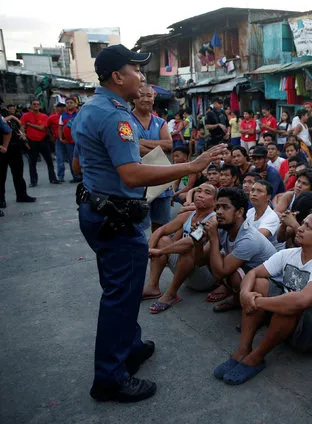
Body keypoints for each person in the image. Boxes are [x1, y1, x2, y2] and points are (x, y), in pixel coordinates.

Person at [73, 44, 220, 402]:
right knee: (121, 296)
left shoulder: (91, 109)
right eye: (135, 70)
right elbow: (134, 174)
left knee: (118, 288)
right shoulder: (115, 116)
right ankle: (110, 377)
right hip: (116, 219)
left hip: (98, 210)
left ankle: (130, 346)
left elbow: (81, 165)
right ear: (117, 77)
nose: (142, 77)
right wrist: (191, 167)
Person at [213, 206, 312, 385]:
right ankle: (243, 350)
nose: (300, 228)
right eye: (302, 223)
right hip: (288, 320)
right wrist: (245, 294)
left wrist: (256, 301)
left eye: (308, 227)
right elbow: (253, 274)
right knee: (258, 284)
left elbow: (301, 301)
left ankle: (256, 357)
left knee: (290, 305)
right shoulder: (288, 254)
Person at [142, 183, 218, 310]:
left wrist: (160, 251)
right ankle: (152, 286)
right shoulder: (189, 215)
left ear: (215, 202)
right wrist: (149, 249)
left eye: (207, 193)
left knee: (190, 247)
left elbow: (192, 241)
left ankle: (171, 294)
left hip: (204, 277)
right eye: (198, 191)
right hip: (184, 269)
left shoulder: (213, 220)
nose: (200, 195)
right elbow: (162, 230)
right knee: (163, 239)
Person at [202, 187, 278, 312]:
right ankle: (237, 299)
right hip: (251, 271)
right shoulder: (223, 226)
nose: (219, 212)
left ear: (239, 212)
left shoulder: (248, 238)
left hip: (270, 285)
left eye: (225, 207)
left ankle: (257, 310)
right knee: (218, 258)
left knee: (232, 273)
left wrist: (214, 239)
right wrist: (197, 242)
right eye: (218, 207)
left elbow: (220, 272)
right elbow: (201, 261)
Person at [131, 85, 173, 232]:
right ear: (134, 97)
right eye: (142, 95)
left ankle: (158, 254)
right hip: (137, 183)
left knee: (162, 227)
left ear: (154, 98)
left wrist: (140, 142)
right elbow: (130, 148)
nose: (146, 99)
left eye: (149, 96)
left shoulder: (160, 122)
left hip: (161, 181)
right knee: (137, 228)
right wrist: (156, 148)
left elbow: (168, 144)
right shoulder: (127, 120)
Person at [21, 99, 60, 187]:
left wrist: (29, 124)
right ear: (31, 106)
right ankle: (33, 181)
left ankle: (53, 178)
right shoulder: (25, 116)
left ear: (40, 106)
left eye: (38, 104)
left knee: (49, 161)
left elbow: (42, 128)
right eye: (34, 104)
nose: (36, 105)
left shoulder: (44, 116)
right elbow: (22, 127)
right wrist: (24, 139)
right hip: (31, 141)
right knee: (32, 163)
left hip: (43, 141)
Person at [0, 108, 34, 209]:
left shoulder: (4, 111)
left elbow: (13, 128)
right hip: (2, 148)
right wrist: (10, 117)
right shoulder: (7, 115)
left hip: (14, 146)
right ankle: (1, 200)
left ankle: (22, 195)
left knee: (18, 173)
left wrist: (22, 136)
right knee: (1, 176)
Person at [247, 180, 284, 250]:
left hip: (272, 256)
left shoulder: (271, 216)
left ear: (268, 197)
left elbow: (257, 239)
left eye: (259, 191)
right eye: (252, 190)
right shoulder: (250, 212)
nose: (254, 194)